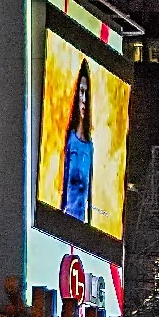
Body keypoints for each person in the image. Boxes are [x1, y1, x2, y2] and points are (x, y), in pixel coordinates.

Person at [61, 62, 95, 224]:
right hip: (67, 217)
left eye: (86, 94)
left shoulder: (90, 146)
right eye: (81, 92)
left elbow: (90, 191)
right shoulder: (70, 140)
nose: (84, 99)